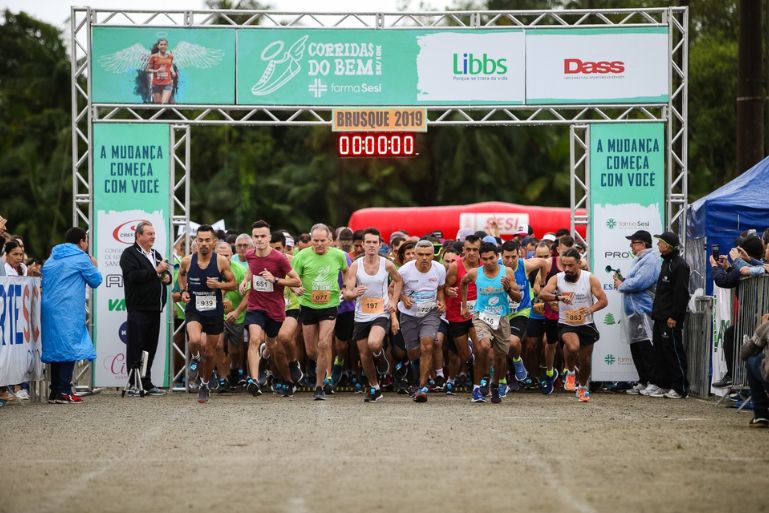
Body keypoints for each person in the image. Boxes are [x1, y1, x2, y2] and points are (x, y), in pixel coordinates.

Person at [41, 227, 103, 404]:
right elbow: (96, 280)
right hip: (68, 308)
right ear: (82, 241)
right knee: (69, 346)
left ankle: (55, 391)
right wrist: (94, 265)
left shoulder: (52, 257)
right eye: (86, 241)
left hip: (48, 307)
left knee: (55, 348)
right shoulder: (81, 258)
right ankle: (65, 391)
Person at [240, 221, 301, 397]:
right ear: (253, 238)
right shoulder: (250, 255)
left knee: (273, 344)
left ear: (268, 237)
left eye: (262, 236)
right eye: (256, 236)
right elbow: (250, 271)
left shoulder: (279, 258)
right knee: (254, 339)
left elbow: (296, 281)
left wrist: (275, 280)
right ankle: (253, 380)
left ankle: (267, 357)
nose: (259, 239)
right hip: (256, 306)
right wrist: (245, 281)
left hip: (275, 309)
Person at [177, 225, 237, 403]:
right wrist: (182, 292)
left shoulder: (221, 262)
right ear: (196, 241)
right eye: (200, 240)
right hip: (194, 309)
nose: (203, 243)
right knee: (195, 340)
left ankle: (204, 384)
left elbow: (233, 283)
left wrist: (219, 286)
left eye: (207, 240)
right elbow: (181, 276)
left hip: (214, 311)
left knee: (210, 353)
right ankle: (195, 357)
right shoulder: (188, 261)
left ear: (214, 242)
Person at [540, 248, 608, 402]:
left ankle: (583, 387)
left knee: (585, 361)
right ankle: (570, 372)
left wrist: (590, 309)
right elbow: (543, 294)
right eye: (565, 266)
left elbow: (603, 300)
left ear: (579, 263)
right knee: (572, 347)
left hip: (586, 323)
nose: (567, 269)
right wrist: (558, 297)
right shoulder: (557, 278)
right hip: (566, 323)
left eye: (571, 266)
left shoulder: (589, 278)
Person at [343, 228, 403, 402]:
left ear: (379, 244)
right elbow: (347, 292)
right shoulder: (356, 265)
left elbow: (398, 281)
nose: (371, 245)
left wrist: (393, 302)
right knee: (363, 355)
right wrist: (353, 293)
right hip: (361, 314)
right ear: (362, 245)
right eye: (367, 242)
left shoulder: (387, 264)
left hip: (380, 312)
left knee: (374, 344)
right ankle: (375, 387)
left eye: (374, 242)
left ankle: (380, 355)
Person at [291, 223, 349, 400]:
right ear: (311, 239)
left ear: (330, 240)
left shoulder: (339, 255)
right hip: (308, 305)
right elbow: (292, 278)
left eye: (323, 240)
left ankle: (319, 386)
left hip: (329, 305)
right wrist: (296, 289)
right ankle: (321, 371)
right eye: (315, 240)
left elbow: (347, 272)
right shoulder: (301, 256)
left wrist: (345, 288)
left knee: (324, 344)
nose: (319, 244)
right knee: (311, 351)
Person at [461, 242, 522, 403]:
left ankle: (495, 386)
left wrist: (509, 289)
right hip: (482, 316)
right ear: (480, 259)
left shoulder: (506, 272)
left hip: (501, 318)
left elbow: (518, 297)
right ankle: (477, 386)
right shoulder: (475, 273)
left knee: (501, 357)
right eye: (485, 259)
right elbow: (463, 282)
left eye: (492, 258)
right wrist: (464, 304)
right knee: (484, 346)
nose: (488, 262)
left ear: (498, 257)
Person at [119, 221, 172, 396]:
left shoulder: (155, 253)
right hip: (138, 308)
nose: (153, 236)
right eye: (149, 234)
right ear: (139, 236)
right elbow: (133, 276)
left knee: (150, 347)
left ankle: (146, 382)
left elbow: (165, 274)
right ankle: (134, 384)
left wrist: (167, 278)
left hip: (155, 309)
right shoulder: (129, 254)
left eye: (154, 233)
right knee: (136, 345)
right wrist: (157, 271)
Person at [397, 239, 446, 403]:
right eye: (420, 254)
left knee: (427, 345)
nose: (424, 258)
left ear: (434, 255)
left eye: (428, 254)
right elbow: (393, 289)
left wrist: (442, 302)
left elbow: (440, 290)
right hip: (409, 314)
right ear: (415, 255)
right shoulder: (404, 270)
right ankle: (414, 369)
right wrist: (403, 297)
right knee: (412, 352)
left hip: (430, 313)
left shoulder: (439, 269)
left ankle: (422, 387)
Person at [614, 230, 661, 395]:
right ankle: (643, 379)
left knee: (646, 347)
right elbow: (633, 281)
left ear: (643, 244)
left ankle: (653, 381)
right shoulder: (640, 260)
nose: (630, 245)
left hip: (644, 310)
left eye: (634, 242)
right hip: (634, 311)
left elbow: (640, 282)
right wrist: (624, 281)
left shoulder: (650, 260)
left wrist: (622, 284)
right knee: (636, 347)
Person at [648, 231, 691, 399]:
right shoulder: (666, 262)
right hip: (660, 317)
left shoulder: (680, 265)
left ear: (668, 246)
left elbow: (681, 294)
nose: (658, 245)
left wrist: (674, 316)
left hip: (670, 318)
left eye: (660, 242)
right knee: (660, 353)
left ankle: (680, 388)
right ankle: (663, 385)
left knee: (673, 352)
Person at [145, 38, 176, 104]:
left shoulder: (170, 56)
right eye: (161, 44)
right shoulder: (153, 57)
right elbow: (147, 70)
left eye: (165, 45)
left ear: (167, 46)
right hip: (156, 84)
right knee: (158, 105)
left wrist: (173, 72)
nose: (163, 46)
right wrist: (157, 71)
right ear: (158, 46)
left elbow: (170, 66)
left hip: (167, 83)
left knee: (163, 104)